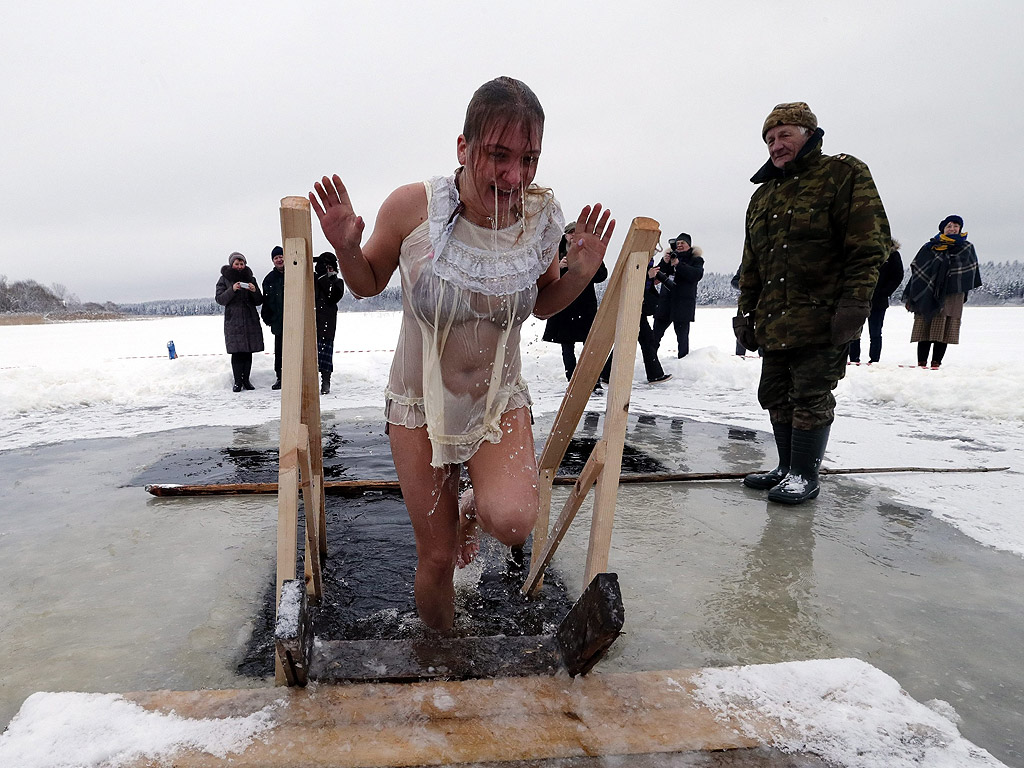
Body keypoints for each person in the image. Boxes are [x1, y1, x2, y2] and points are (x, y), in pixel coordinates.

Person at [309, 76, 614, 632]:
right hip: (419, 403)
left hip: (497, 399)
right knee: (439, 558)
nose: (515, 176)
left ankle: (474, 506)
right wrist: (347, 248)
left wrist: (582, 274)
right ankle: (443, 654)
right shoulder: (412, 208)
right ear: (464, 148)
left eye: (529, 159)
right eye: (499, 155)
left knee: (517, 522)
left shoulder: (541, 219)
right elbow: (367, 281)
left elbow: (544, 303)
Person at [735, 102, 890, 505]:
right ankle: (786, 467)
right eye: (770, 139)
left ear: (808, 133)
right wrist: (745, 313)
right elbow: (751, 263)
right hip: (775, 317)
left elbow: (868, 245)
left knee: (810, 395)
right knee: (775, 393)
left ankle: (805, 473)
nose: (776, 145)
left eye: (785, 134)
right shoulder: (763, 196)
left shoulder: (843, 174)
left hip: (822, 314)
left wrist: (856, 302)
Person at [902, 215, 982, 369]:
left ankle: (936, 363)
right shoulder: (929, 247)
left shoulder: (967, 247)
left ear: (960, 229)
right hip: (927, 292)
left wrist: (945, 271)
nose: (952, 229)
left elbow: (968, 272)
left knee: (944, 327)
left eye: (956, 226)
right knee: (925, 323)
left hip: (952, 294)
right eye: (949, 226)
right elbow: (918, 270)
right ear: (943, 229)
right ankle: (921, 363)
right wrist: (912, 294)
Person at [542, 222, 608, 391]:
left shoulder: (589, 251)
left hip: (585, 306)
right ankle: (572, 380)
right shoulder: (555, 252)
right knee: (567, 346)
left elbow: (602, 276)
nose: (573, 236)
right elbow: (544, 277)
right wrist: (560, 267)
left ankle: (594, 381)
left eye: (576, 233)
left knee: (590, 346)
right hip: (564, 305)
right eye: (570, 233)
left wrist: (589, 267)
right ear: (565, 236)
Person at [848, 240, 904, 364]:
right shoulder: (860, 247)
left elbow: (897, 275)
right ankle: (853, 359)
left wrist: (884, 292)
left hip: (879, 299)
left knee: (875, 332)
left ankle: (874, 360)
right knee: (854, 330)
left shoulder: (892, 253)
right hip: (858, 297)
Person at [215, 252, 265, 392]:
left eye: (241, 264)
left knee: (248, 351)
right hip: (234, 320)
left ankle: (246, 380)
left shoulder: (250, 278)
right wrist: (232, 289)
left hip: (249, 318)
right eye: (236, 264)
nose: (239, 266)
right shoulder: (224, 279)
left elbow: (259, 300)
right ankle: (237, 382)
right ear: (231, 264)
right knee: (237, 352)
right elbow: (220, 299)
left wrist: (254, 291)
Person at [651, 233, 704, 358]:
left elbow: (696, 275)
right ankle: (650, 359)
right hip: (665, 302)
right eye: (678, 243)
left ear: (689, 245)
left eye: (682, 243)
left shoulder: (696, 260)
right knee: (655, 335)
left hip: (683, 304)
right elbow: (658, 273)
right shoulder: (669, 258)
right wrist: (665, 262)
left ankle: (683, 362)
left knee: (682, 337)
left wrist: (678, 265)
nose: (679, 245)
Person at [313, 251, 346, 394]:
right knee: (311, 354)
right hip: (313, 322)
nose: (329, 269)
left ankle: (326, 381)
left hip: (327, 323)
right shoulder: (313, 280)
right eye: (325, 266)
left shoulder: (337, 282)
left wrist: (322, 277)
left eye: (331, 266)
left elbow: (333, 296)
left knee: (326, 353)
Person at [261, 245, 286, 390]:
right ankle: (280, 377)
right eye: (276, 258)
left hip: (295, 320)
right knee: (280, 351)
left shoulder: (295, 272)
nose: (279, 259)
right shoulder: (269, 279)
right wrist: (267, 318)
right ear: (273, 261)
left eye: (281, 256)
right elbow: (266, 301)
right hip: (278, 321)